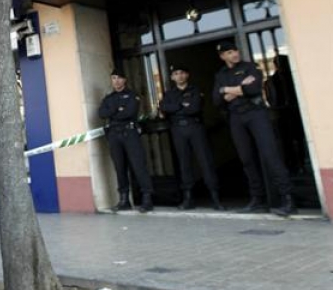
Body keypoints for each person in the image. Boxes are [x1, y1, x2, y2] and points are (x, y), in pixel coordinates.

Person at [212, 40, 295, 216]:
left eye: (235, 50)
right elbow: (217, 100)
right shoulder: (221, 75)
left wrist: (228, 90)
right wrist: (238, 88)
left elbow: (254, 89)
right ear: (222, 57)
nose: (234, 54)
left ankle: (287, 198)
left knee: (270, 154)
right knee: (246, 158)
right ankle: (258, 199)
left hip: (256, 114)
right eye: (229, 52)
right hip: (236, 118)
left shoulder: (250, 67)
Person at [160, 65, 224, 211]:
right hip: (178, 129)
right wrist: (181, 105)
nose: (179, 76)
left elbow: (195, 108)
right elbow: (164, 107)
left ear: (187, 75)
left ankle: (215, 197)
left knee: (205, 161)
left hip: (195, 128)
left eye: (182, 73)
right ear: (172, 77)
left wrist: (175, 108)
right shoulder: (169, 93)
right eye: (176, 74)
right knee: (184, 163)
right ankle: (188, 198)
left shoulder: (195, 90)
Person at [98, 70, 154, 213]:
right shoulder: (108, 98)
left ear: (125, 80)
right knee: (119, 167)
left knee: (138, 165)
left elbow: (129, 112)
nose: (116, 81)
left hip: (130, 133)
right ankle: (124, 200)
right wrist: (117, 109)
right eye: (113, 78)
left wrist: (113, 111)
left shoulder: (132, 95)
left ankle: (147, 199)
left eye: (119, 78)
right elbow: (102, 114)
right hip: (114, 135)